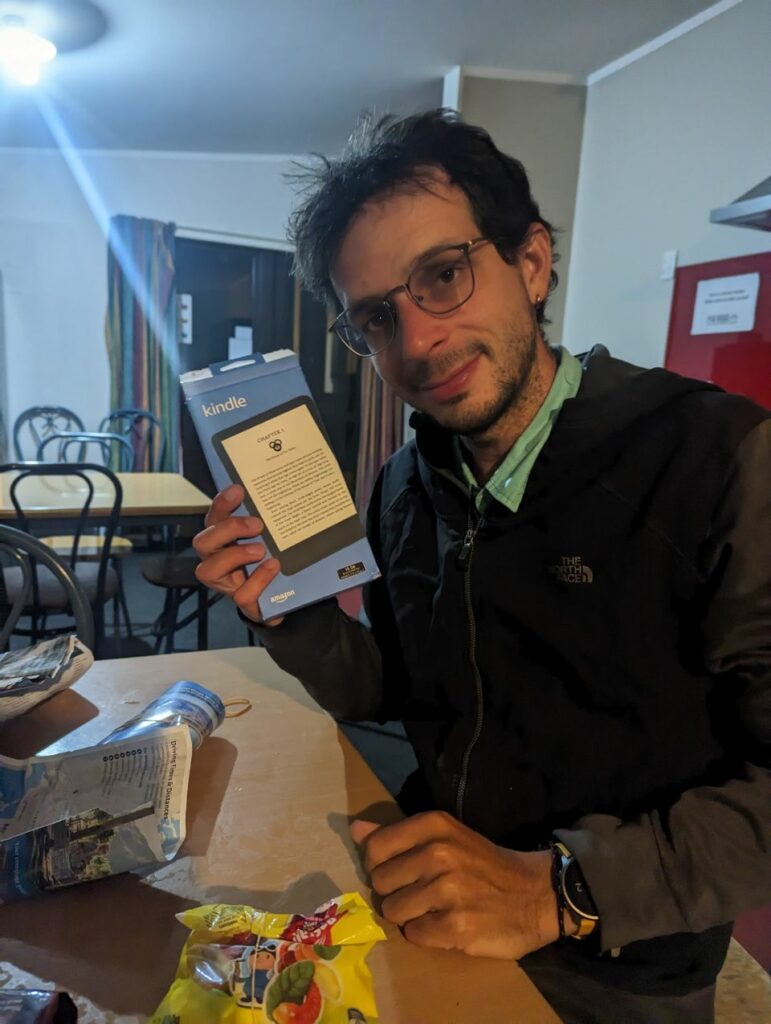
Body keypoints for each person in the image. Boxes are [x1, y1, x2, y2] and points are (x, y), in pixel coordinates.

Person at [193, 109, 771, 1022]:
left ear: (531, 262)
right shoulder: (403, 484)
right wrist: (286, 612)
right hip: (425, 889)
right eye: (376, 318)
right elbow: (389, 688)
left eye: (442, 276)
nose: (416, 343)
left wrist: (557, 890)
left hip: (616, 952)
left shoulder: (719, 459)